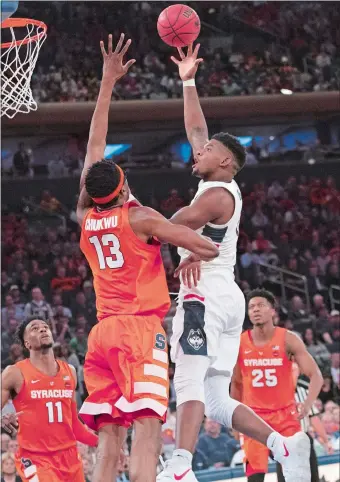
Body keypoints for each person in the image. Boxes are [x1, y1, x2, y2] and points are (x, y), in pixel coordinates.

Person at [157, 44, 311, 482]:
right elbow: (196, 129)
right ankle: (283, 444)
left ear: (224, 161)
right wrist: (187, 81)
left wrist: (179, 245)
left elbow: (168, 223)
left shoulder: (217, 194)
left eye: (204, 151)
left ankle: (181, 468)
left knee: (186, 383)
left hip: (204, 295)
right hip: (225, 296)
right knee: (217, 399)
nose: (195, 152)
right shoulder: (218, 182)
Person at [75, 34, 218, 482]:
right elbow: (206, 246)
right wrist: (186, 254)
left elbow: (92, 150)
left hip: (101, 333)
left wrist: (107, 84)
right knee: (149, 425)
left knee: (110, 437)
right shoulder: (141, 218)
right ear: (122, 187)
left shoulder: (84, 216)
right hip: (139, 329)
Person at [231, 289, 324, 482]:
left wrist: (307, 404)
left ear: (273, 311)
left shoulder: (288, 339)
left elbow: (316, 375)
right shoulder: (239, 342)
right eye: (251, 307)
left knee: (292, 477)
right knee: (254, 478)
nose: (255, 310)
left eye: (261, 305)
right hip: (253, 419)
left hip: (285, 418)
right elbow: (236, 385)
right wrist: (234, 420)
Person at [1, 316, 98, 482]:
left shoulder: (70, 372)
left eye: (45, 326)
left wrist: (103, 443)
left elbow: (74, 425)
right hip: (35, 458)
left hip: (70, 458)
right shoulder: (15, 373)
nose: (42, 329)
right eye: (34, 328)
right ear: (27, 344)